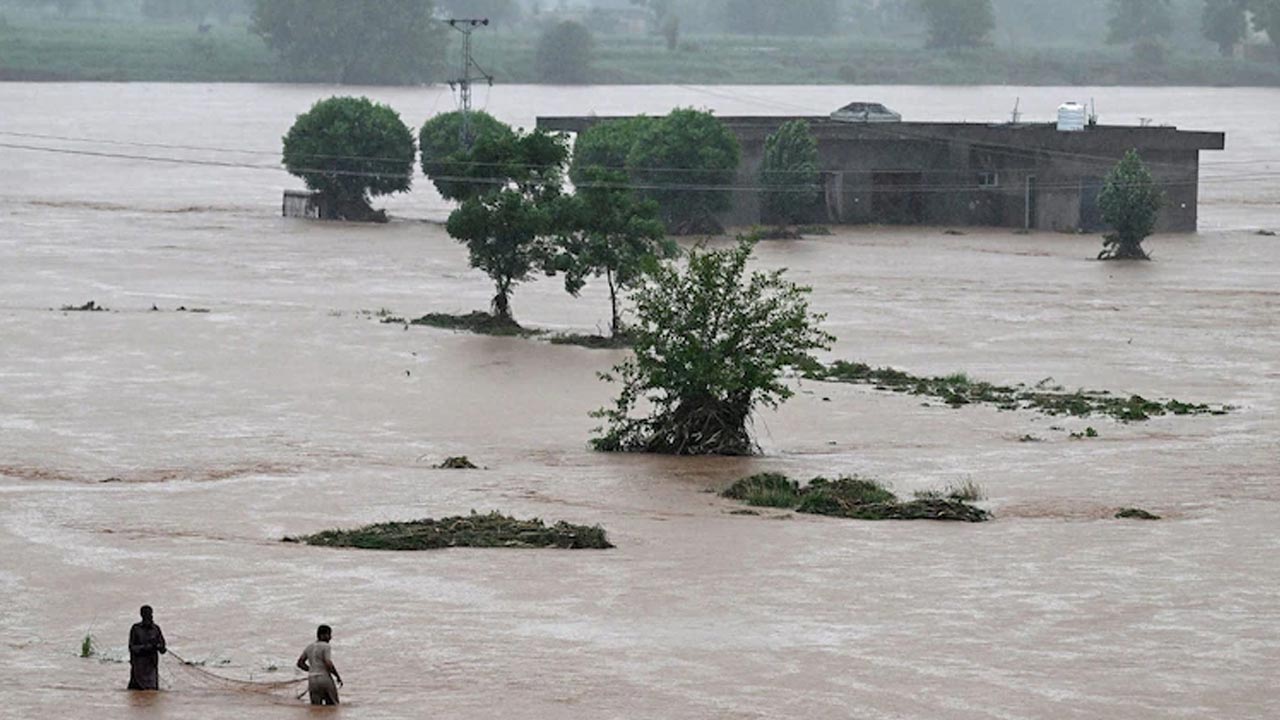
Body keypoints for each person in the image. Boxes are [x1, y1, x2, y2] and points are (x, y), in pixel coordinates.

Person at [297, 624, 342, 705]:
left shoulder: (309, 647)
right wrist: (337, 676)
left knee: (316, 707)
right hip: (324, 679)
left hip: (312, 680)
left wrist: (311, 669)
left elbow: (300, 663)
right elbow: (328, 663)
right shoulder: (326, 646)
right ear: (322, 635)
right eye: (329, 634)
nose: (330, 637)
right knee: (333, 705)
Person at [127, 605, 167, 690]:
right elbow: (132, 647)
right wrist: (147, 647)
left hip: (151, 667)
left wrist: (159, 646)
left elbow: (163, 648)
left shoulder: (156, 629)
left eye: (150, 614)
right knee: (136, 693)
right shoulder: (136, 629)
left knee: (152, 693)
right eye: (146, 614)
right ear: (142, 615)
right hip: (138, 668)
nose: (150, 616)